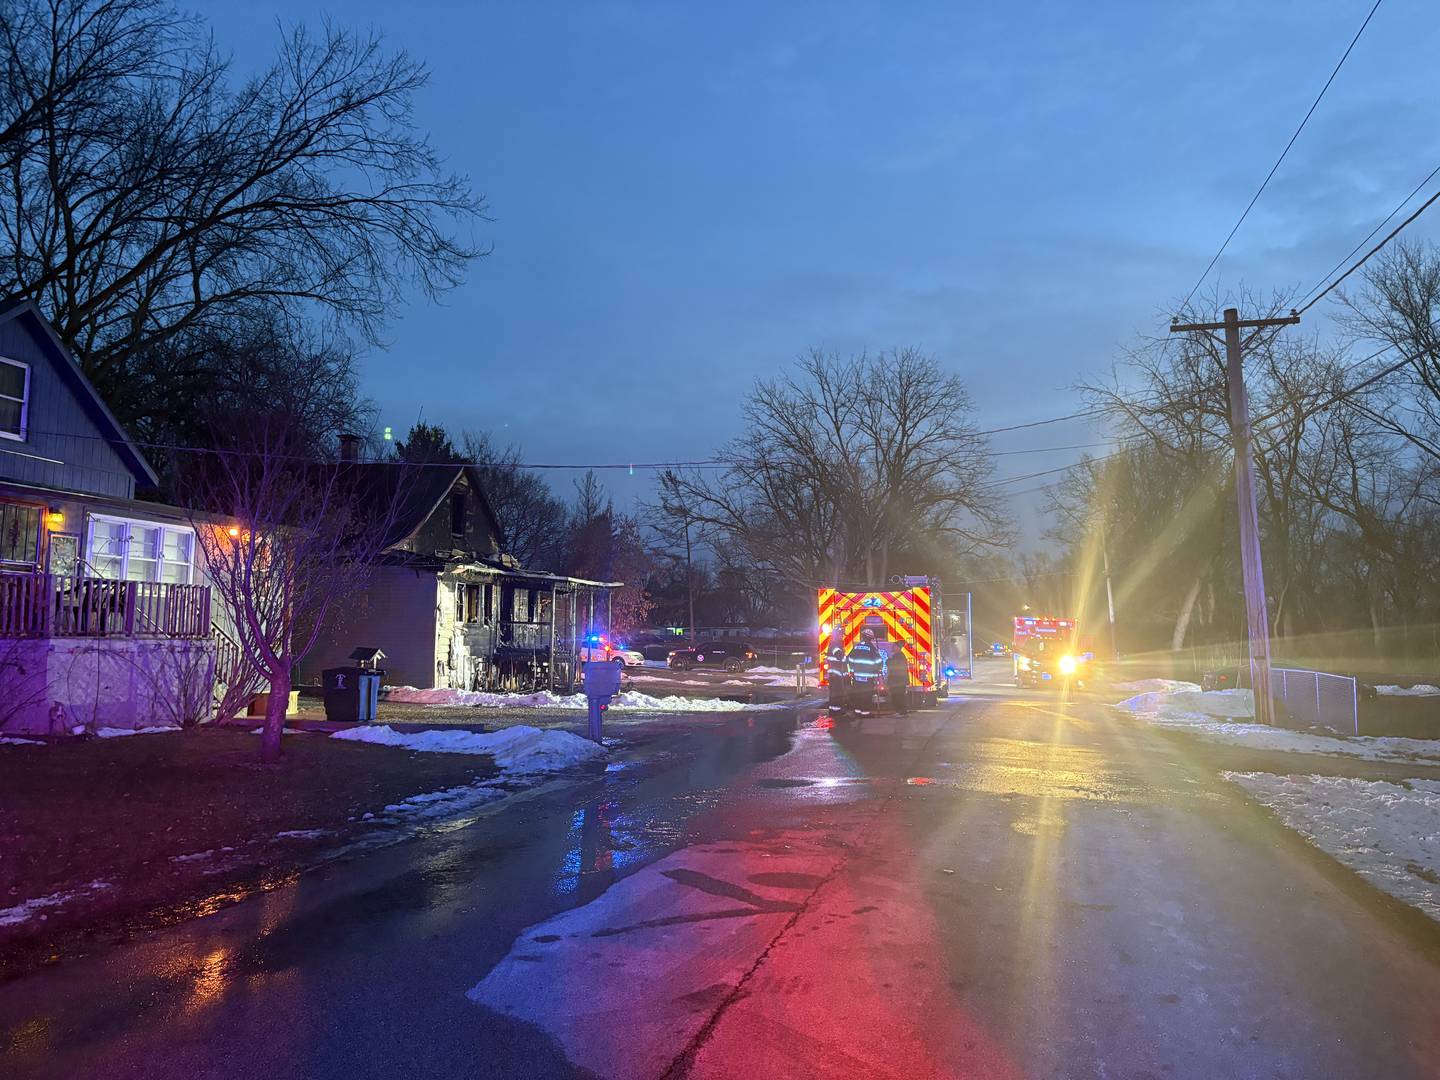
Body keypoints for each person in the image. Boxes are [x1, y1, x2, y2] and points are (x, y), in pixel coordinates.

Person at [844, 628, 885, 713]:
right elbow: (878, 661)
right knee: (866, 695)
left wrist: (852, 670)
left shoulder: (856, 647)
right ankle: (865, 713)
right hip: (868, 677)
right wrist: (879, 668)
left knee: (857, 695)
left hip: (857, 677)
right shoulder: (872, 648)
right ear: (870, 638)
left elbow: (850, 659)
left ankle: (857, 711)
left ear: (863, 637)